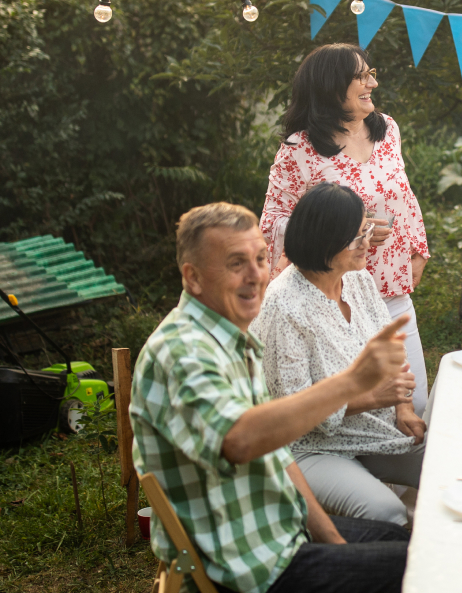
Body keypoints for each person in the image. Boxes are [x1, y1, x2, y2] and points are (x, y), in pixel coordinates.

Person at [130, 203, 413, 593]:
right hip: (247, 565)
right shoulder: (184, 351)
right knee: (418, 569)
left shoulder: (233, 339)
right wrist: (353, 382)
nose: (257, 276)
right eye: (235, 264)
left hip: (283, 530)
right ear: (192, 278)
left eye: (261, 258)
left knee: (396, 541)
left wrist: (331, 541)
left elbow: (279, 455)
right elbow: (240, 440)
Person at [261, 43, 434, 420]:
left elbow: (403, 192)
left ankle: (404, 477)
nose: (371, 82)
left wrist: (417, 248)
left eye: (371, 74)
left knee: (414, 402)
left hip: (390, 288)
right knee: (363, 412)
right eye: (361, 76)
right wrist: (340, 231)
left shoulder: (387, 130)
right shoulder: (299, 150)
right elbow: (272, 224)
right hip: (336, 299)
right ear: (330, 86)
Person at [251, 183, 425, 528]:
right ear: (324, 241)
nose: (368, 242)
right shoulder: (284, 305)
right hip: (306, 446)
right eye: (357, 236)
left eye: (367, 229)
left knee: (451, 465)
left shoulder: (358, 279)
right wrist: (374, 397)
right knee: (386, 513)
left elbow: (390, 350)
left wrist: (403, 407)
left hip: (368, 429)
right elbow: (295, 408)